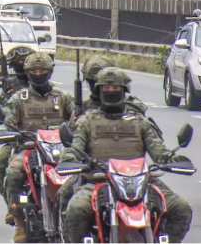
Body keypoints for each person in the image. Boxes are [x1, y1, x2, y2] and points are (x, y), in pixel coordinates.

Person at [63, 67, 193, 244]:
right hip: (98, 182)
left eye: (116, 88)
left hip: (141, 183)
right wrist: (70, 158)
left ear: (124, 90)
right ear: (99, 91)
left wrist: (171, 159)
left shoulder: (140, 122)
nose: (111, 91)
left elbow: (158, 151)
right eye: (106, 88)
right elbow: (75, 147)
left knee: (181, 208)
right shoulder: (86, 121)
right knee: (76, 209)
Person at [2, 52, 75, 243]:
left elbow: (76, 120)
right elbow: (8, 122)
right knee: (13, 172)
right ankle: (18, 220)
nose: (38, 73)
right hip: (29, 149)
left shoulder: (62, 97)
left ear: (49, 72)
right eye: (34, 71)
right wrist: (13, 133)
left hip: (59, 150)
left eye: (42, 70)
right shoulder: (20, 98)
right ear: (27, 72)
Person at [0, 47, 33, 197]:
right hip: (19, 137)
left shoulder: (52, 92)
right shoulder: (10, 87)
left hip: (47, 140)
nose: (21, 64)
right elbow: (4, 113)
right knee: (1, 161)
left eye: (24, 61)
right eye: (18, 62)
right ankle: (10, 198)